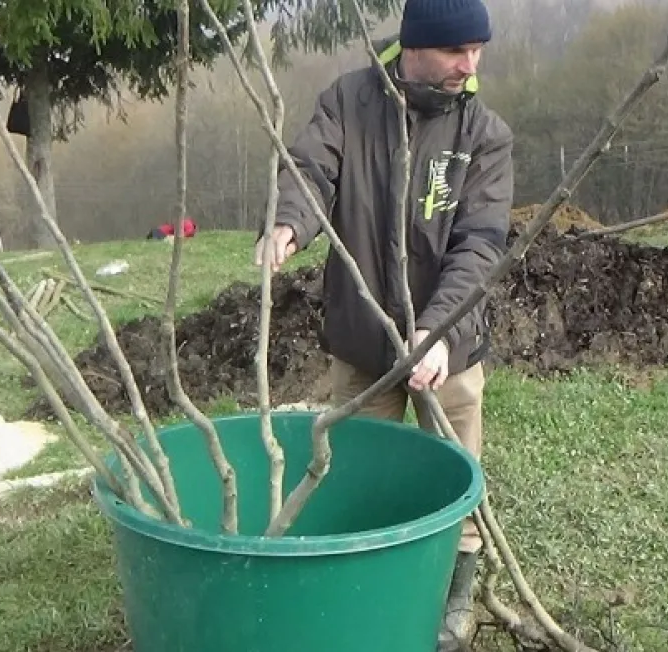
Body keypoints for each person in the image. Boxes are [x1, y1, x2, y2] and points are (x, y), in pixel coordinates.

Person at [253, 0, 513, 647]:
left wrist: (440, 334)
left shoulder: (484, 135)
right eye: (457, 51)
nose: (470, 65)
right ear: (417, 45)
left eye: (478, 51)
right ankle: (362, 584)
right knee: (357, 468)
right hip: (364, 343)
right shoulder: (350, 101)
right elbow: (312, 168)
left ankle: (457, 586)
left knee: (456, 469)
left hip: (446, 348)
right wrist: (289, 220)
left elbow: (479, 245)